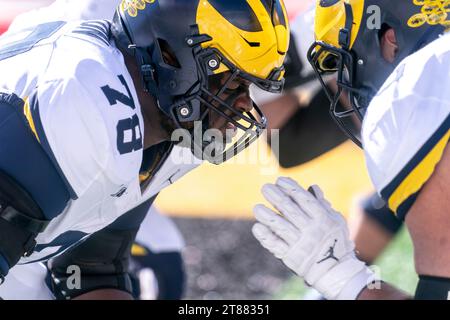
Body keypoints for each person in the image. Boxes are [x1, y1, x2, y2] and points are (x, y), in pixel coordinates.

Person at [0, 0, 289, 299]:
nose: (243, 105)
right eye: (231, 82)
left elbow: (91, 267)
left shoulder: (168, 122)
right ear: (169, 55)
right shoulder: (87, 101)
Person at [252, 0, 450, 300]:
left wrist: (344, 280)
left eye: (345, 66)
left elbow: (291, 143)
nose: (346, 84)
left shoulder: (411, 101)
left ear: (391, 39)